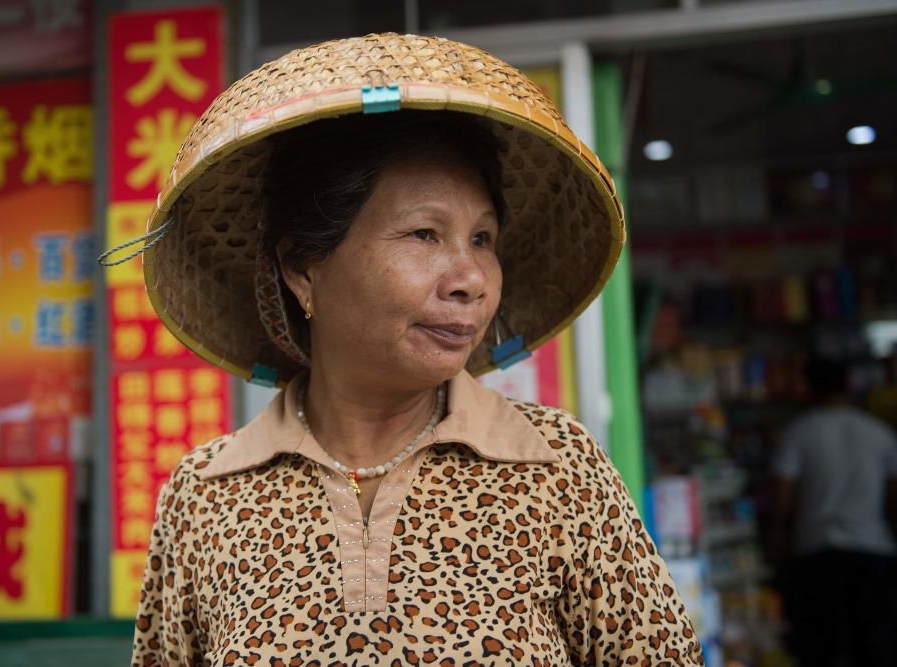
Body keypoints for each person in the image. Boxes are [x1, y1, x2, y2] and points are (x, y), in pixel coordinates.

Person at [114, 33, 703, 665]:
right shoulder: (207, 498)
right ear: (303, 268)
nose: (470, 279)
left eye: (482, 238)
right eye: (424, 234)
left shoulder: (557, 470)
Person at [771, 357, 897, 667]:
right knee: (876, 646)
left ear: (810, 389)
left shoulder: (799, 432)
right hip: (875, 549)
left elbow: (782, 498)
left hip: (818, 549)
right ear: (850, 387)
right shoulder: (879, 433)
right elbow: (893, 499)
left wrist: (777, 538)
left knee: (824, 649)